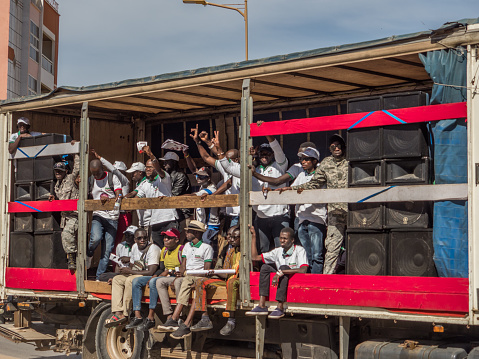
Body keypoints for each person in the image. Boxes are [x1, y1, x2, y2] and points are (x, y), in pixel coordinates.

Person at [280, 134, 348, 274]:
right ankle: (324, 283)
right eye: (333, 146)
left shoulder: (351, 160)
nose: (336, 148)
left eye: (339, 145)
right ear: (329, 148)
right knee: (331, 250)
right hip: (335, 212)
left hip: (354, 210)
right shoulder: (326, 163)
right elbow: (315, 183)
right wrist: (292, 188)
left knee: (362, 244)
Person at [212, 132, 289, 253]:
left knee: (281, 249)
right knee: (263, 250)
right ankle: (266, 272)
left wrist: (265, 129)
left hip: (279, 216)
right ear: (258, 155)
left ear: (272, 154)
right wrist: (219, 149)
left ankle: (281, 272)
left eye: (267, 153)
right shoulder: (253, 170)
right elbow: (230, 168)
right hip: (261, 217)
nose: (264, 155)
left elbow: (276, 147)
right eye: (262, 153)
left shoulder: (280, 165)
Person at [170, 225, 241, 338]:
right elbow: (225, 273)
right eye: (230, 236)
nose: (230, 239)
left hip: (237, 280)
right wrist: (214, 271)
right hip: (224, 278)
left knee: (231, 283)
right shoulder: (231, 251)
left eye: (234, 237)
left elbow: (232, 273)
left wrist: (213, 271)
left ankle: (231, 319)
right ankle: (205, 318)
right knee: (200, 282)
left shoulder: (243, 253)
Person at [157, 221, 213, 335]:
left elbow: (206, 270)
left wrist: (188, 274)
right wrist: (179, 274)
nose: (186, 233)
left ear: (196, 233)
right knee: (177, 281)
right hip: (188, 276)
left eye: (189, 231)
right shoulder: (187, 246)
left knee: (185, 281)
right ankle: (176, 318)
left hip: (199, 276)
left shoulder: (206, 248)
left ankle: (175, 318)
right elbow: (183, 265)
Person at [276, 147, 327, 274]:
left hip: (317, 219)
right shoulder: (301, 175)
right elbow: (292, 190)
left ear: (315, 161)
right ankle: (307, 281)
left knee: (317, 256)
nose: (303, 162)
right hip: (302, 219)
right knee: (306, 256)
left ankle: (315, 283)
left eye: (306, 159)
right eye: (302, 159)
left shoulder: (321, 175)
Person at [246, 226, 309, 318]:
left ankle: (280, 307)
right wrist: (254, 236)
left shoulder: (299, 250)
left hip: (294, 281)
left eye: (285, 238)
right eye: (281, 238)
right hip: (281, 277)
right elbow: (255, 257)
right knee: (265, 267)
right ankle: (261, 305)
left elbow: (303, 270)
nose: (282, 240)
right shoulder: (278, 251)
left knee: (283, 267)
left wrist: (281, 272)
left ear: (292, 240)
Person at [128, 228, 184, 331]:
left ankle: (153, 316)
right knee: (141, 281)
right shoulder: (164, 250)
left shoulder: (181, 250)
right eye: (165, 237)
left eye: (169, 238)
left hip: (179, 276)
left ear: (176, 240)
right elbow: (163, 269)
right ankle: (140, 315)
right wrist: (156, 275)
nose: (165, 239)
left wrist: (158, 276)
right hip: (167, 275)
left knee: (156, 281)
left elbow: (184, 266)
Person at [105, 228, 161, 327]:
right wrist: (123, 274)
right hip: (136, 273)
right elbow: (132, 266)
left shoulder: (153, 249)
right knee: (117, 280)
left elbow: (151, 272)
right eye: (139, 238)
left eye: (144, 238)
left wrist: (129, 272)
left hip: (149, 277)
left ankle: (125, 313)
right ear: (135, 240)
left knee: (131, 280)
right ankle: (118, 312)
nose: (142, 240)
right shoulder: (135, 247)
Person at [126, 146, 178, 249]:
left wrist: (150, 155)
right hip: (154, 222)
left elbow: (159, 168)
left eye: (151, 167)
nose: (148, 169)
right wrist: (127, 203)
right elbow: (138, 197)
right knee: (157, 249)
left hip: (168, 219)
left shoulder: (164, 178)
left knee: (171, 248)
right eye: (146, 167)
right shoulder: (145, 184)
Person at [86, 159, 123, 280]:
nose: (95, 176)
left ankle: (99, 277)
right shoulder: (91, 180)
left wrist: (114, 199)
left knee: (107, 251)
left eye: (97, 173)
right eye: (93, 173)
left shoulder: (112, 178)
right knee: (95, 238)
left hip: (112, 217)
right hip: (98, 215)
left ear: (103, 168)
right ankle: (89, 253)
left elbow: (119, 193)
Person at [49, 143, 80, 270]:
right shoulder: (57, 185)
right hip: (64, 218)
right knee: (67, 239)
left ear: (65, 171)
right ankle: (72, 259)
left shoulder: (71, 178)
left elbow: (78, 168)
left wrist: (75, 152)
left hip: (74, 216)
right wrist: (54, 199)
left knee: (67, 235)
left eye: (60, 171)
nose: (58, 173)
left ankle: (72, 260)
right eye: (56, 171)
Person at [91, 150, 131, 247]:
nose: (114, 171)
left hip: (122, 215)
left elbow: (113, 170)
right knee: (106, 242)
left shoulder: (124, 180)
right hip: (109, 213)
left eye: (117, 170)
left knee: (116, 242)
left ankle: (114, 262)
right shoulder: (111, 180)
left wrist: (100, 158)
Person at [160, 151, 192, 234]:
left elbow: (174, 194)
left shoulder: (180, 175)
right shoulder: (167, 175)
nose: (164, 164)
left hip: (183, 215)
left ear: (173, 162)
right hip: (173, 215)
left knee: (182, 241)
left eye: (166, 162)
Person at [126, 162, 149, 228]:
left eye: (134, 173)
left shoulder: (145, 182)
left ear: (140, 172)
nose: (132, 175)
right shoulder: (138, 183)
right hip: (142, 219)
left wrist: (121, 198)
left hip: (148, 219)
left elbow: (132, 194)